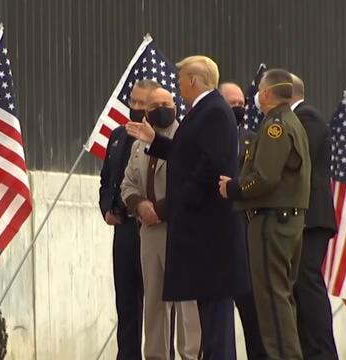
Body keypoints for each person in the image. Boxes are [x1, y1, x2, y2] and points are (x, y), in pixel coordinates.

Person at [127, 55, 248, 360]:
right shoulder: (203, 112)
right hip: (201, 237)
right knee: (210, 319)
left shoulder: (215, 112)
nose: (178, 83)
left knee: (216, 326)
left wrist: (178, 204)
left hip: (210, 236)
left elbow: (209, 167)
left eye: (181, 78)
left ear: (194, 80)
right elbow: (186, 154)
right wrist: (156, 142)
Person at [218, 68, 311, 360]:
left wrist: (234, 188)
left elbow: (265, 177)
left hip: (272, 221)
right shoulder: (290, 122)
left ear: (267, 93)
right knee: (280, 298)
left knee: (271, 300)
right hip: (285, 220)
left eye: (259, 89)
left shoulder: (276, 126)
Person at [121, 87, 201, 360]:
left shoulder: (186, 138)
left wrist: (161, 210)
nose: (161, 108)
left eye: (167, 103)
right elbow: (128, 184)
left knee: (186, 303)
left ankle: (190, 355)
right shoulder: (138, 145)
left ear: (176, 106)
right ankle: (155, 355)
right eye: (154, 105)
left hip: (180, 229)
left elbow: (191, 182)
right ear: (146, 111)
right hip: (150, 231)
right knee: (154, 302)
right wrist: (139, 205)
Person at [100, 79, 160, 359]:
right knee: (126, 302)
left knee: (156, 304)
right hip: (123, 229)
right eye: (132, 101)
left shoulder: (160, 139)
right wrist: (106, 209)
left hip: (149, 227)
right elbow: (106, 179)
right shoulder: (116, 136)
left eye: (141, 103)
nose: (135, 107)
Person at [290, 74, 339, 360]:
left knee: (308, 283)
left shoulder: (309, 118)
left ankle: (321, 352)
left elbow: (295, 156)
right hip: (295, 217)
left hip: (312, 217)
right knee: (297, 286)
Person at [219, 82, 265, 359]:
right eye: (231, 102)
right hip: (213, 235)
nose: (238, 107)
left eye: (241, 103)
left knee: (252, 313)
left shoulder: (254, 139)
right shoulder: (208, 136)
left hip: (245, 236)